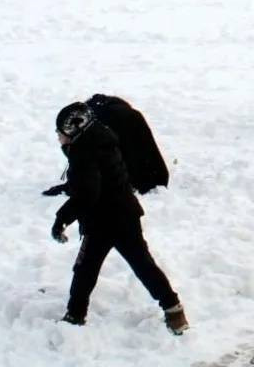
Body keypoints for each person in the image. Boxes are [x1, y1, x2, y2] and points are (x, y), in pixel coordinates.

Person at [50, 102, 188, 334]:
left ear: (75, 129)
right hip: (126, 215)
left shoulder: (85, 153)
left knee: (85, 269)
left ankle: (75, 316)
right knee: (143, 265)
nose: (58, 137)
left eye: (60, 132)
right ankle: (174, 311)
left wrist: (61, 218)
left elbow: (87, 194)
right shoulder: (102, 139)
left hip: (103, 221)